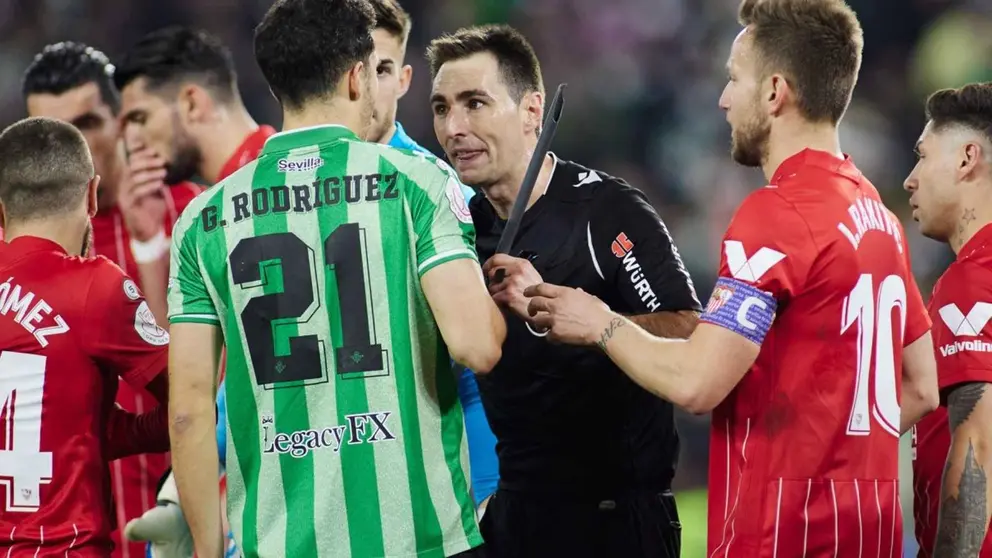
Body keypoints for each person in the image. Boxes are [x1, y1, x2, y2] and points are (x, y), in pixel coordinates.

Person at [521, 0, 941, 555]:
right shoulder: (880, 220)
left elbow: (697, 383)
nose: (722, 98)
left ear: (774, 91)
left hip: (781, 537)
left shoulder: (777, 214)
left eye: (733, 79)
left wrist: (599, 322)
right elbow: (919, 386)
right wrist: (832, 457)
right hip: (870, 532)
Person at [166, 1, 506, 558]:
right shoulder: (417, 184)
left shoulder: (203, 219)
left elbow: (189, 412)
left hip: (276, 543)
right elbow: (477, 346)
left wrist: (207, 550)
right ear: (356, 76)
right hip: (418, 538)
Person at [427, 24, 699, 557]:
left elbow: (691, 331)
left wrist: (596, 323)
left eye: (475, 103)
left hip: (619, 523)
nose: (454, 127)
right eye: (441, 108)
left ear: (532, 110)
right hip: (512, 520)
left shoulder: (608, 212)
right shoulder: (454, 233)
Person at [21, 41, 201, 558]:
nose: (71, 146)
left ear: (123, 120)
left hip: (181, 519)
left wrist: (153, 254)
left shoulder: (193, 215)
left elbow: (213, 384)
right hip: (61, 536)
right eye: (53, 132)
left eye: (88, 123)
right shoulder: (12, 253)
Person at [0, 116, 171, 556]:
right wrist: (118, 433)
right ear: (93, 195)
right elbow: (188, 404)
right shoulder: (96, 286)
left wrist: (95, 427)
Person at [369, 0, 499, 510]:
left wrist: (487, 485)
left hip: (446, 460)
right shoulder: (300, 188)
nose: (367, 86)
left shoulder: (443, 188)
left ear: (403, 80)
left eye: (382, 69)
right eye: (358, 69)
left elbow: (477, 364)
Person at [906, 82, 992, 557]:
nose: (910, 179)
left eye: (922, 155)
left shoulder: (974, 280)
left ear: (966, 159)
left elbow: (978, 445)